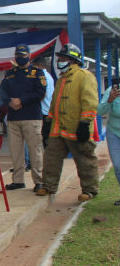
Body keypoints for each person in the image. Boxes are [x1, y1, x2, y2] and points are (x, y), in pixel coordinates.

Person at [35, 43, 99, 202]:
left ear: (72, 60)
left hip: (77, 128)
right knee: (51, 159)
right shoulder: (61, 79)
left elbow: (90, 102)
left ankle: (89, 190)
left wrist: (84, 123)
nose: (60, 61)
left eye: (63, 58)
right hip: (58, 130)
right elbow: (54, 103)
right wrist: (48, 123)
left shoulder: (84, 76)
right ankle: (48, 186)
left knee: (85, 161)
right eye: (60, 58)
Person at [0, 43, 47, 192]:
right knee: (16, 152)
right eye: (18, 56)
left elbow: (40, 92)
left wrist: (21, 100)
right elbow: (1, 91)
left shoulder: (37, 73)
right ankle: (18, 181)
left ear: (29, 56)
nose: (20, 58)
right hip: (13, 118)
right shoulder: (10, 73)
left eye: (23, 55)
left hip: (31, 117)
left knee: (35, 151)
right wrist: (10, 102)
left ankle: (39, 181)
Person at [98, 79, 120, 205]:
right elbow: (100, 111)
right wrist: (110, 100)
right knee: (118, 166)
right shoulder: (112, 91)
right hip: (114, 133)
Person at [32, 55, 55, 148]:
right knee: (45, 140)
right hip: (48, 111)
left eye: (34, 66)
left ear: (38, 66)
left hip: (42, 112)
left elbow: (42, 94)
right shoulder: (49, 76)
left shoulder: (41, 76)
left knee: (39, 141)